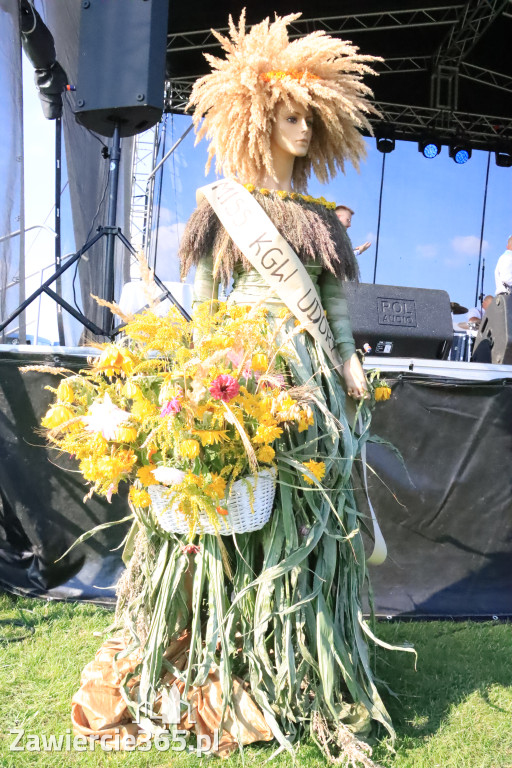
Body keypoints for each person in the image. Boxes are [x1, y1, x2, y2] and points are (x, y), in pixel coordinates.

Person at [71, 12, 403, 763]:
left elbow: (338, 310)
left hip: (308, 382)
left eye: (304, 118)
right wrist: (197, 370)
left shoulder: (323, 220)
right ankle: (217, 664)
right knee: (225, 520)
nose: (296, 130)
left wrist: (349, 362)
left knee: (298, 521)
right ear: (256, 121)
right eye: (283, 117)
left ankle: (289, 669)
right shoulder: (222, 207)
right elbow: (205, 301)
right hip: (240, 373)